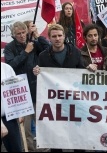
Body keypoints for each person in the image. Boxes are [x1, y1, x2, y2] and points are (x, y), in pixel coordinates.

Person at [33, 24, 85, 152]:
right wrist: (37, 72)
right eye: (54, 36)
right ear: (49, 38)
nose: (57, 39)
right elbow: (43, 78)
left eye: (60, 36)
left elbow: (82, 73)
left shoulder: (76, 52)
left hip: (74, 100)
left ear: (64, 36)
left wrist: (90, 69)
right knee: (56, 136)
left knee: (77, 134)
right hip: (55, 102)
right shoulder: (43, 56)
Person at [4, 21, 50, 151]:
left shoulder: (34, 43)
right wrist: (25, 52)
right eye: (18, 34)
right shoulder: (10, 48)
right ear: (13, 35)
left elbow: (49, 50)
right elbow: (11, 66)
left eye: (24, 32)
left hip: (37, 89)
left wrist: (37, 35)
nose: (22, 35)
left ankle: (45, 149)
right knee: (27, 129)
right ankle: (29, 149)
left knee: (42, 124)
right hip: (22, 94)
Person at [1, 62, 24, 152]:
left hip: (9, 116)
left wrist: (20, 111)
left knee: (15, 148)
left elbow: (15, 90)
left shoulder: (6, 68)